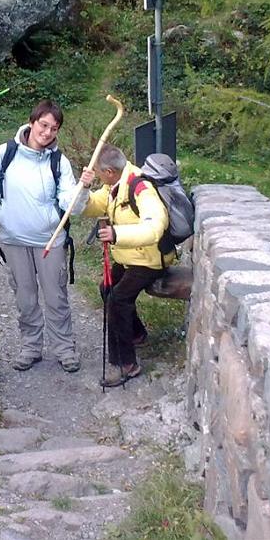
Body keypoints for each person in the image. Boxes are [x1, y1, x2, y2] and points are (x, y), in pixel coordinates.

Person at [0, 100, 89, 373]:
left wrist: (83, 189)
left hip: (50, 241)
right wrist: (3, 215)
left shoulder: (58, 162)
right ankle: (31, 347)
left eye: (54, 128)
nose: (47, 132)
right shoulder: (4, 154)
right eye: (44, 124)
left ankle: (64, 349)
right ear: (32, 121)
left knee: (56, 296)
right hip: (14, 240)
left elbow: (71, 203)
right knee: (25, 297)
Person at [78, 144, 169, 387]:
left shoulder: (140, 188)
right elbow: (89, 206)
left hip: (149, 258)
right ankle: (137, 334)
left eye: (97, 171)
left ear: (109, 171)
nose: (96, 175)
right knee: (106, 287)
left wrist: (116, 234)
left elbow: (154, 228)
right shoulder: (114, 185)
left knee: (117, 300)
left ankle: (127, 364)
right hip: (130, 255)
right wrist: (83, 188)